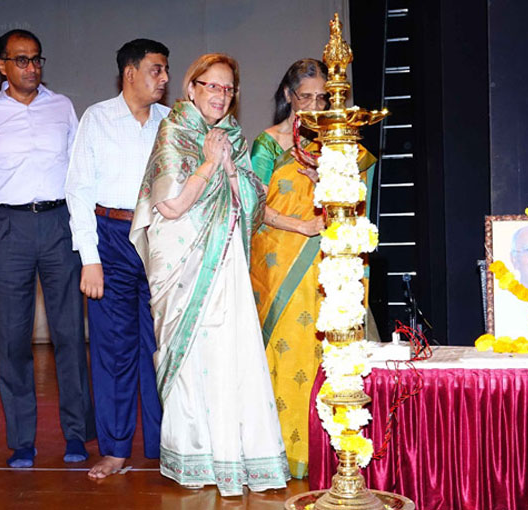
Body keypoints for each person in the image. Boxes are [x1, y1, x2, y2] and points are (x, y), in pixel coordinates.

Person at [130, 53, 317, 496]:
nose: (220, 95)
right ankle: (196, 454)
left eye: (228, 88)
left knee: (231, 352)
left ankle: (236, 454)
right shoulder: (174, 133)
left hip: (228, 261)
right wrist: (211, 164)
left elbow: (252, 204)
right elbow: (171, 205)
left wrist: (230, 165)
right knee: (197, 355)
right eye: (211, 86)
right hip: (186, 267)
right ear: (191, 88)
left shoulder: (231, 136)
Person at [0, 29, 95, 469]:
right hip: (7, 227)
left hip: (59, 225)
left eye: (37, 59)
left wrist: (81, 233)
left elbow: (79, 173)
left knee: (70, 336)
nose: (32, 68)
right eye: (21, 61)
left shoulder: (63, 108)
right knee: (14, 340)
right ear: (2, 65)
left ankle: (77, 434)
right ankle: (22, 440)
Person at [250, 59, 377, 478]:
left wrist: (327, 169)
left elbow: (359, 187)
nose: (314, 105)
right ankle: (282, 453)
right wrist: (302, 225)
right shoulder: (267, 145)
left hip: (329, 268)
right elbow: (253, 207)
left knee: (327, 352)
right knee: (286, 355)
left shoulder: (339, 144)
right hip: (280, 265)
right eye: (306, 97)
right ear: (288, 96)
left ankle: (330, 455)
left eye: (323, 97)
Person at [65, 38, 169, 479]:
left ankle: (167, 446)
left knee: (162, 347)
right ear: (130, 73)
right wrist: (90, 258)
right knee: (113, 350)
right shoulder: (97, 118)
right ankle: (116, 448)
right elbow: (79, 191)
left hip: (163, 238)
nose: (164, 79)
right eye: (156, 70)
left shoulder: (173, 121)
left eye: (165, 71)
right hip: (110, 237)